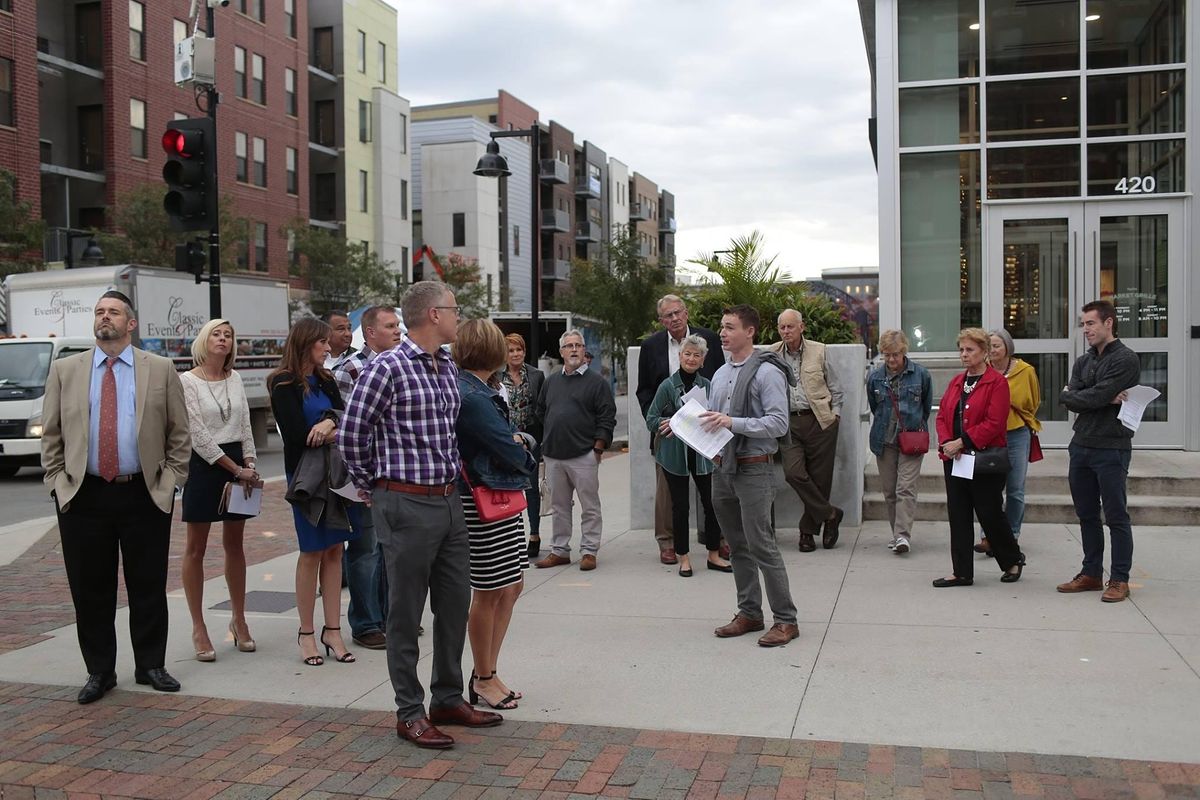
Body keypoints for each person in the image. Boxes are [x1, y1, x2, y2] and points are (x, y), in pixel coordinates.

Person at [340, 281, 502, 750]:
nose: (458, 316)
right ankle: (409, 711)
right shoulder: (386, 367)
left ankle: (448, 699)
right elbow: (352, 434)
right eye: (453, 309)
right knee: (405, 611)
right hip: (404, 502)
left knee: (453, 604)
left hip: (449, 501)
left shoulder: (446, 364)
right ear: (433, 314)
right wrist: (376, 489)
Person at [41, 290, 191, 704]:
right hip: (83, 496)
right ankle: (99, 671)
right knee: (90, 588)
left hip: (143, 493)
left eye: (114, 312)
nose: (104, 317)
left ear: (131, 324)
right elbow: (51, 432)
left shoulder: (158, 369)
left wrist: (172, 480)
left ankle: (150, 664)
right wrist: (57, 481)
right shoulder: (66, 369)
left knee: (147, 584)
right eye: (99, 312)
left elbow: (180, 432)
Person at [703, 305, 799, 648]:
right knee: (737, 546)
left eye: (729, 327)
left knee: (762, 545)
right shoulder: (720, 373)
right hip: (723, 468)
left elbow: (778, 423)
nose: (722, 333)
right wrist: (682, 426)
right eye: (722, 326)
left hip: (754, 466)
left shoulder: (766, 372)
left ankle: (786, 620)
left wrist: (734, 423)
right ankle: (750, 613)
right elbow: (712, 420)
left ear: (750, 332)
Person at [454, 320, 537, 710]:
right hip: (483, 501)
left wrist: (517, 443)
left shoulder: (481, 389)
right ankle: (484, 677)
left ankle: (487, 671)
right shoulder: (472, 395)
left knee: (511, 585)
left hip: (497, 496)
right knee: (489, 591)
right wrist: (523, 445)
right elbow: (510, 450)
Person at [269, 317, 358, 667]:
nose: (328, 347)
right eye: (322, 342)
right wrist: (327, 424)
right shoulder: (282, 382)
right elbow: (295, 435)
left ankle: (332, 630)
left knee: (336, 548)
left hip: (335, 472)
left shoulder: (326, 378)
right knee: (312, 550)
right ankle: (306, 632)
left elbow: (345, 416)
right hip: (305, 477)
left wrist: (329, 423)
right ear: (307, 342)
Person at [179, 318, 260, 662]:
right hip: (205, 466)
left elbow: (243, 424)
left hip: (239, 464)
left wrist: (251, 463)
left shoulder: (236, 378)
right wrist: (234, 468)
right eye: (217, 333)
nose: (224, 339)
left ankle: (239, 619)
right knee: (195, 548)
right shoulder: (187, 381)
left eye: (229, 335)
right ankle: (198, 626)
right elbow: (196, 435)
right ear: (204, 340)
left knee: (235, 545)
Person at [1056, 300, 1141, 603]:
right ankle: (1091, 573)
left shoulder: (1126, 359)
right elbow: (1069, 398)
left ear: (1109, 323)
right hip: (1081, 446)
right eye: (1083, 324)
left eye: (1090, 323)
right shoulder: (1084, 361)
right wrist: (1087, 397)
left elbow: (1088, 396)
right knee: (1086, 514)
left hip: (1112, 447)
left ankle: (1119, 578)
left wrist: (1081, 396)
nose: (1086, 330)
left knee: (1116, 516)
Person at [332, 305, 404, 651]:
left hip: (398, 475)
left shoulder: (404, 365)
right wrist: (362, 478)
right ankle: (365, 623)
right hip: (365, 476)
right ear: (370, 332)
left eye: (398, 325)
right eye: (390, 326)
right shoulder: (351, 369)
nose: (397, 331)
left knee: (392, 551)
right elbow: (350, 429)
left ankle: (392, 617)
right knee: (365, 550)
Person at [636, 294, 724, 565]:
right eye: (667, 315)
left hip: (704, 433)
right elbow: (645, 391)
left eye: (677, 313)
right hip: (670, 434)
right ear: (661, 320)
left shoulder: (706, 338)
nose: (674, 318)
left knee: (711, 494)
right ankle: (668, 542)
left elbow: (719, 381)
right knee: (670, 497)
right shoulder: (651, 346)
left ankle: (717, 542)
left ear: (686, 313)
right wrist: (662, 424)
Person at [933, 328, 1025, 587]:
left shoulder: (997, 383)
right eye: (961, 349)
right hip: (956, 459)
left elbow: (995, 423)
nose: (964, 354)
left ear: (984, 353)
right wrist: (946, 443)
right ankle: (961, 572)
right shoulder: (956, 382)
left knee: (989, 513)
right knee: (958, 514)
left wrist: (961, 442)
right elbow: (942, 416)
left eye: (970, 349)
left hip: (985, 459)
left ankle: (1012, 559)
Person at [645, 334, 731, 577]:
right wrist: (670, 422)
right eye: (687, 354)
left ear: (703, 360)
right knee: (680, 508)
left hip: (703, 453)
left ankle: (714, 554)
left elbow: (718, 417)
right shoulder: (667, 386)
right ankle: (684, 557)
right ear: (680, 356)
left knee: (712, 504)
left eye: (697, 355)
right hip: (674, 456)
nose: (692, 358)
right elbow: (651, 419)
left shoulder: (708, 385)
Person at [534, 330, 617, 572]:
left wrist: (598, 449)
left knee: (589, 506)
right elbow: (541, 413)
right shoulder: (551, 382)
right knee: (559, 506)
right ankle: (559, 551)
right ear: (561, 352)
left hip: (584, 455)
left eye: (578, 346)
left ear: (584, 351)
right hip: (553, 456)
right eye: (568, 346)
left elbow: (606, 417)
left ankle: (589, 550)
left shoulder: (597, 383)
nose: (573, 350)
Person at [770, 308, 845, 552]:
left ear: (801, 327)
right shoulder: (772, 355)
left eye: (790, 326)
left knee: (820, 479)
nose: (785, 331)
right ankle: (831, 514)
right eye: (782, 327)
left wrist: (836, 416)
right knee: (793, 473)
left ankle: (807, 533)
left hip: (820, 420)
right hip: (789, 423)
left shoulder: (820, 350)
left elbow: (836, 387)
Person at [865, 330, 932, 555]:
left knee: (906, 487)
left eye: (895, 354)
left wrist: (913, 425)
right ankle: (897, 534)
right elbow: (875, 407)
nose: (891, 360)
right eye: (887, 355)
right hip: (884, 441)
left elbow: (925, 405)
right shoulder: (875, 377)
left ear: (904, 352)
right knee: (889, 491)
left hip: (911, 438)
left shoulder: (921, 375)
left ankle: (903, 536)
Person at [976, 329, 1041, 555]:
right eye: (989, 346)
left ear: (1007, 347)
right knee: (989, 490)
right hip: (989, 437)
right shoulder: (981, 371)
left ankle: (1011, 535)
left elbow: (1033, 402)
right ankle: (988, 536)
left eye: (997, 345)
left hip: (1016, 434)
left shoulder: (1025, 371)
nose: (993, 350)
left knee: (1015, 489)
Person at [498, 333, 545, 559]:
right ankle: (511, 537)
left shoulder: (536, 375)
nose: (516, 354)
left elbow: (543, 407)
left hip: (532, 439)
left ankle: (534, 534)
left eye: (519, 350)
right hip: (507, 440)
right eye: (511, 350)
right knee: (509, 488)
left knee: (532, 489)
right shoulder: (497, 377)